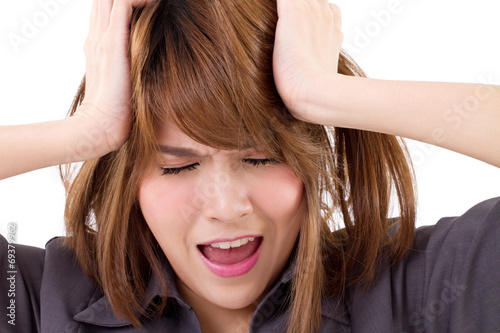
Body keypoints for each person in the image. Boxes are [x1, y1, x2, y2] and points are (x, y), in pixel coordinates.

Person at [0, 0, 499, 332]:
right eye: (177, 167)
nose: (227, 207)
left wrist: (322, 91)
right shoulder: (38, 300)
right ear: (128, 180)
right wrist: (90, 130)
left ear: (309, 159)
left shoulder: (417, 288)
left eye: (260, 157)